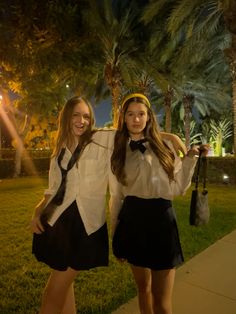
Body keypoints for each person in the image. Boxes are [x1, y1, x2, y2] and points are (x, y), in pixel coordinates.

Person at [110, 93, 209, 314]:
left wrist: (190, 158)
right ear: (123, 118)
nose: (136, 119)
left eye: (141, 114)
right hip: (132, 222)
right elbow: (117, 197)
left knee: (162, 302)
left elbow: (178, 188)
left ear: (149, 117)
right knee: (143, 290)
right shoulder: (118, 150)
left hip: (162, 222)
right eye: (131, 114)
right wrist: (115, 234)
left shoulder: (165, 146)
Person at [30, 96, 118, 314]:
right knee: (64, 286)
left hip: (85, 225)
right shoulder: (59, 148)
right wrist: (36, 213)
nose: (82, 120)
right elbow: (52, 189)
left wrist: (171, 138)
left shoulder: (101, 139)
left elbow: (136, 131)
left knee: (53, 291)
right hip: (57, 222)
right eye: (76, 115)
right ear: (67, 117)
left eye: (86, 116)